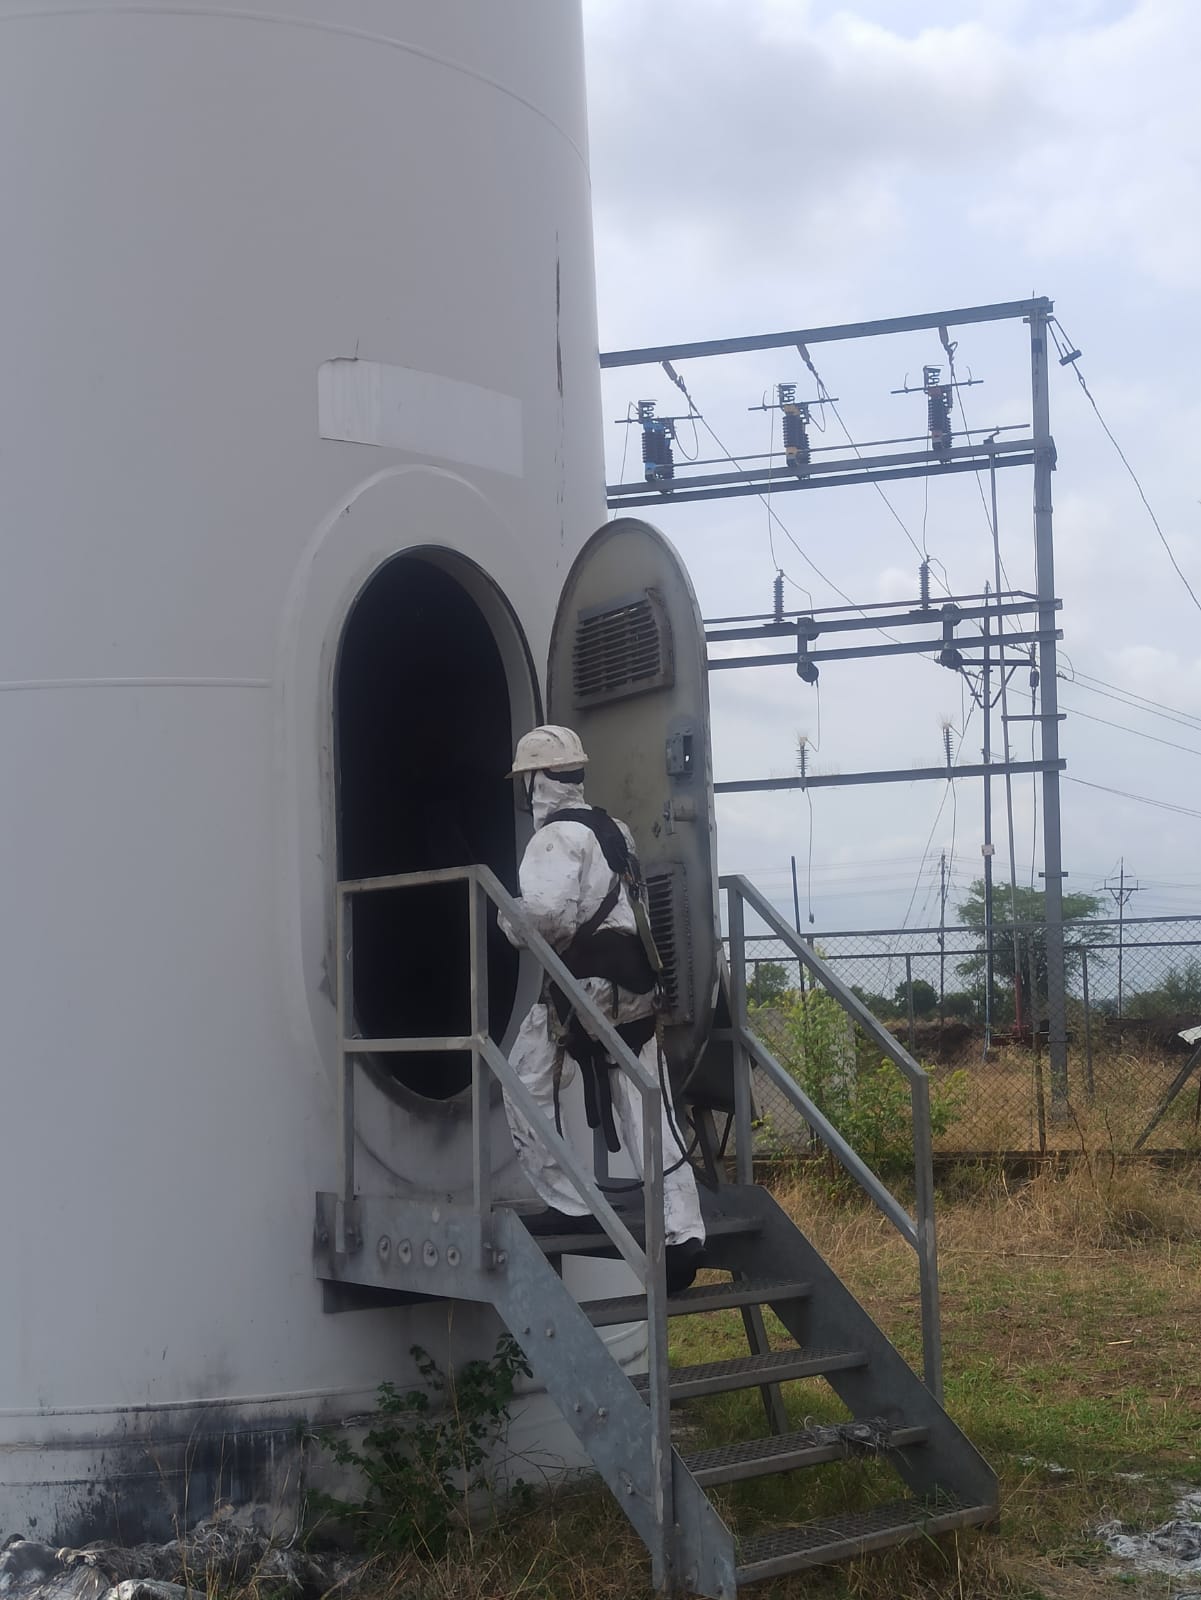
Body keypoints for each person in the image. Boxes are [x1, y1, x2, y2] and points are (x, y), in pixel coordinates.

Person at [498, 724, 706, 1293]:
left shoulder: (551, 841)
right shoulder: (611, 828)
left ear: (536, 781)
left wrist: (504, 917)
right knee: (646, 1104)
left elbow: (546, 918)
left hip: (586, 988)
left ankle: (568, 1204)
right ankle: (684, 1233)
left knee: (523, 1081)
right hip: (633, 984)